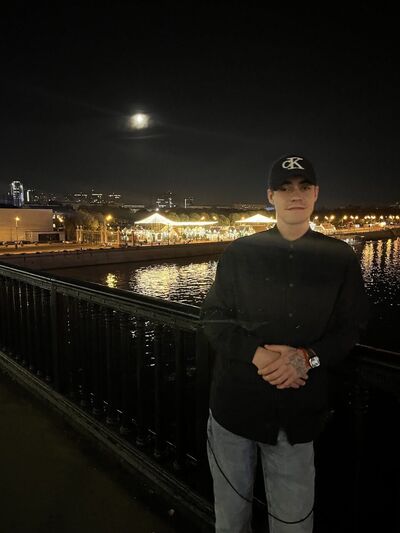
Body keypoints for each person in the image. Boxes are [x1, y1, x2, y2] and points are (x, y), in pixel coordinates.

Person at [200, 154, 370, 533]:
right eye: (285, 187)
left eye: (304, 187)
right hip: (235, 410)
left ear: (316, 193)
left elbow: (352, 326)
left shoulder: (340, 258)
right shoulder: (240, 252)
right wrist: (258, 356)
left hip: (297, 416)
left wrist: (307, 358)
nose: (296, 195)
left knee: (293, 524)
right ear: (270, 196)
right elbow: (212, 317)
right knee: (231, 521)